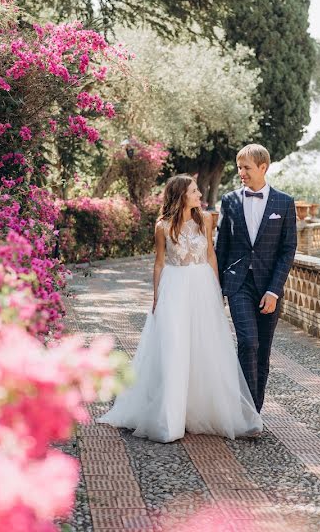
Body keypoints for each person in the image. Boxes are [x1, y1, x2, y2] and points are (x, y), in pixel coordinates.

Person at [98, 174, 263, 443]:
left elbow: (211, 254)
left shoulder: (206, 220)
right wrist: (156, 296)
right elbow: (159, 263)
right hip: (174, 287)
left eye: (198, 190)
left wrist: (217, 291)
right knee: (175, 348)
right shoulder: (162, 226)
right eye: (195, 191)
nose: (199, 194)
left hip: (202, 285)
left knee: (205, 347)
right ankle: (170, 418)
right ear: (181, 195)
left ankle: (203, 410)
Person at [215, 144, 297, 412]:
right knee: (247, 342)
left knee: (262, 351)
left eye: (246, 167)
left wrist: (274, 291)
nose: (241, 172)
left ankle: (255, 411)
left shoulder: (284, 203)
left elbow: (287, 250)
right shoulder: (229, 201)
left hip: (268, 287)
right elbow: (221, 248)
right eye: (239, 167)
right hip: (238, 284)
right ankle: (246, 410)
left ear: (263, 168)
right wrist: (216, 290)